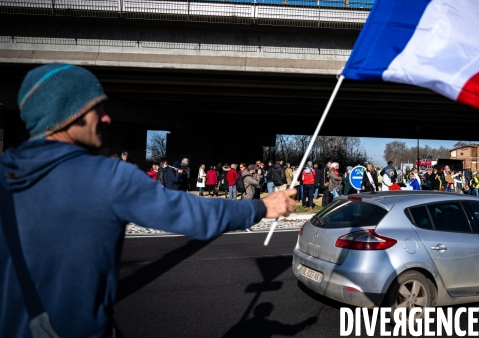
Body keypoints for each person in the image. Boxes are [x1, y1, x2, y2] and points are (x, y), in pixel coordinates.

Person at [0, 64, 297, 337]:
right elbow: (190, 213)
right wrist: (261, 207)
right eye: (96, 107)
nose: (107, 117)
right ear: (68, 113)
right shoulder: (107, 177)